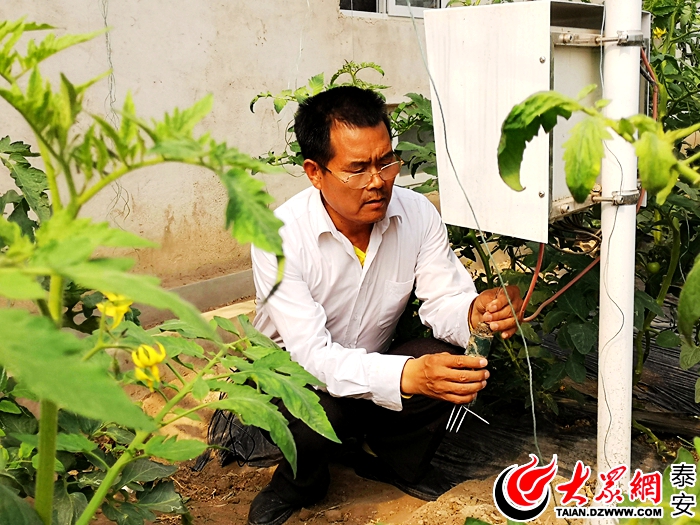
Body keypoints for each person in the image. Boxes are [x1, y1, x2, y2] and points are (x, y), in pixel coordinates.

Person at [247, 86, 522, 525]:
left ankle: (386, 455)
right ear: (315, 172)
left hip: (370, 363)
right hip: (292, 375)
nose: (377, 181)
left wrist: (473, 314)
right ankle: (297, 483)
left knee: (456, 362)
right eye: (357, 169)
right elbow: (311, 357)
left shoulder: (417, 215)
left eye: (386, 162)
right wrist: (406, 375)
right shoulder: (278, 237)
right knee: (317, 407)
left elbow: (444, 300)